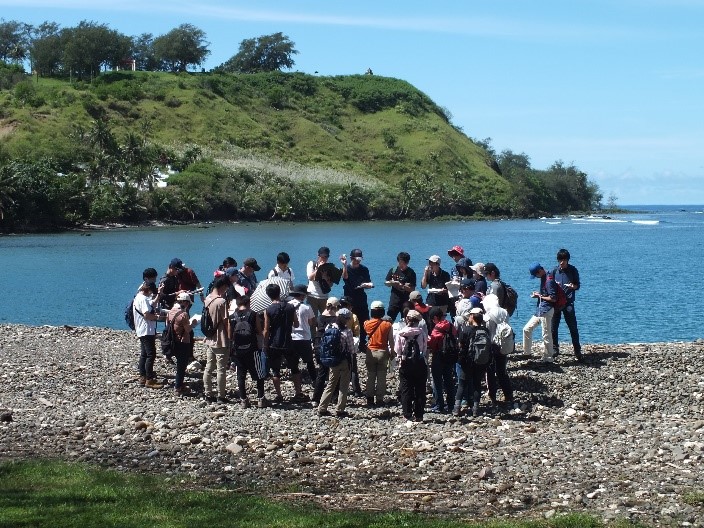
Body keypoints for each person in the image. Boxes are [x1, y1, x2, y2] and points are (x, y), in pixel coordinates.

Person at [263, 282, 299, 404]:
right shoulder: (290, 307)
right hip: (288, 341)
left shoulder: (268, 310)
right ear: (279, 292)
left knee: (276, 370)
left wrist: (265, 344)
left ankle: (279, 395)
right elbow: (297, 324)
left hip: (275, 342)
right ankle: (298, 392)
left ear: (269, 295)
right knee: (294, 368)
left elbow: (266, 329)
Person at [317, 308, 355, 417]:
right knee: (343, 386)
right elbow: (352, 349)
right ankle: (340, 409)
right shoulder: (347, 331)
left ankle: (322, 408)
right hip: (343, 360)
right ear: (346, 319)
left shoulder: (329, 327)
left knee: (330, 384)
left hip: (332, 360)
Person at [230, 295, 266, 408]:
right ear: (248, 303)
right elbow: (259, 331)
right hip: (252, 349)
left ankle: (243, 400)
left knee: (241, 376)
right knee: (259, 374)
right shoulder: (253, 314)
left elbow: (229, 335)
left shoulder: (232, 317)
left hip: (237, 350)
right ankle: (260, 399)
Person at [454, 308, 489, 417]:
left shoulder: (466, 330)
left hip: (467, 361)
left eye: (470, 315)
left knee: (462, 384)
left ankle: (456, 409)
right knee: (477, 384)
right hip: (480, 361)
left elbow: (460, 345)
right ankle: (475, 409)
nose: (468, 317)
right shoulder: (486, 331)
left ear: (473, 317)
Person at [395, 309, 429, 422]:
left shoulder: (401, 333)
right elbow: (424, 348)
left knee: (406, 389)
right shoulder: (421, 333)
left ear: (406, 319)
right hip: (419, 363)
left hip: (405, 363)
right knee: (420, 389)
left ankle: (407, 414)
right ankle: (419, 415)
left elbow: (397, 350)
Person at [482, 294, 514, 406]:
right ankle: (508, 394)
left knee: (490, 372)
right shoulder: (504, 312)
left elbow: (488, 332)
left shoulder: (488, 315)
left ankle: (492, 395)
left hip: (492, 346)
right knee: (502, 371)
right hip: (504, 343)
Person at [202, 276, 231, 403]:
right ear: (223, 286)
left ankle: (208, 393)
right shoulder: (221, 302)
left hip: (210, 338)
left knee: (209, 367)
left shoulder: (207, 299)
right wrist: (231, 337)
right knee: (221, 369)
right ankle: (221, 395)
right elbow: (226, 322)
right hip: (221, 338)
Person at [551, 248, 583, 361]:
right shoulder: (555, 271)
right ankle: (555, 349)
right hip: (556, 304)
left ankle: (577, 350)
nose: (561, 262)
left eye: (563, 260)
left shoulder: (573, 270)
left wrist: (572, 287)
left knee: (573, 327)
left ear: (567, 260)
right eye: (559, 260)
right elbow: (550, 286)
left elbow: (578, 285)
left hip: (569, 303)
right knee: (553, 328)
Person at [523, 262, 557, 363]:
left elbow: (553, 298)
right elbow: (546, 294)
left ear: (540, 271)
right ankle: (527, 353)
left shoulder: (549, 280)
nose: (536, 277)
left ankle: (548, 357)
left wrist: (539, 296)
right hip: (540, 309)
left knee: (546, 334)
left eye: (536, 275)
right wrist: (539, 294)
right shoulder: (543, 278)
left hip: (547, 310)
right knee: (526, 329)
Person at [133, 281, 165, 389]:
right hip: (146, 330)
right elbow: (147, 315)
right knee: (151, 354)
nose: (152, 294)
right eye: (152, 292)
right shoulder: (143, 299)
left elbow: (151, 304)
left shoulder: (139, 297)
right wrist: (157, 317)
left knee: (144, 354)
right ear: (148, 290)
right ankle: (149, 379)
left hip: (141, 329)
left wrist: (159, 294)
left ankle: (143, 376)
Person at [363, 300, 394, 407]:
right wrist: (392, 351)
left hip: (370, 351)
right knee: (381, 377)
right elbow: (391, 340)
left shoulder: (366, 323)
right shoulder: (387, 324)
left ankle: (370, 398)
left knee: (370, 376)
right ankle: (379, 399)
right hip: (382, 352)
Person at [341, 248, 374, 350]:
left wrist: (367, 285)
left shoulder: (364, 269)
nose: (358, 260)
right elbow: (345, 277)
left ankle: (362, 342)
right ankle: (348, 342)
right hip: (349, 299)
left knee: (364, 320)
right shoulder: (347, 268)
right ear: (351, 258)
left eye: (360, 258)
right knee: (348, 321)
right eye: (356, 258)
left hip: (361, 298)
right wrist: (344, 265)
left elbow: (369, 282)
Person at [427, 306, 456, 414]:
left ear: (435, 317)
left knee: (437, 381)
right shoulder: (450, 325)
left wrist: (428, 342)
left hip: (439, 355)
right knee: (449, 379)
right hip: (450, 355)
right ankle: (451, 404)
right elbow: (455, 335)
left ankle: (439, 404)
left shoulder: (437, 329)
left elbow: (432, 343)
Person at [288, 284, 317, 394]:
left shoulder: (287, 306)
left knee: (294, 363)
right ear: (302, 296)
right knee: (309, 361)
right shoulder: (307, 307)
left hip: (292, 337)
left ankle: (297, 386)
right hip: (304, 337)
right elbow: (312, 322)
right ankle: (315, 381)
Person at [312, 297, 340, 404]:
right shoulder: (336, 319)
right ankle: (334, 397)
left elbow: (316, 332)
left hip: (319, 347)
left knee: (321, 373)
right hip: (332, 348)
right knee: (335, 373)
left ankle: (316, 398)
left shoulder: (319, 318)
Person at [168, 292, 194, 396]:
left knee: (180, 363)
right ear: (184, 302)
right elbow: (187, 329)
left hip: (173, 340)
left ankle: (179, 384)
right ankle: (178, 387)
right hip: (183, 341)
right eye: (188, 303)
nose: (188, 305)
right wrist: (194, 323)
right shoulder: (183, 314)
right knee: (181, 365)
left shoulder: (171, 311)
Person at [339, 296, 363, 397]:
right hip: (349, 343)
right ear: (349, 306)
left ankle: (339, 389)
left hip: (338, 344)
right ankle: (356, 390)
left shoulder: (336, 314)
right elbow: (357, 331)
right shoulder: (353, 316)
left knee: (338, 368)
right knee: (353, 368)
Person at [384, 251, 417, 321]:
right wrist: (391, 283)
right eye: (399, 262)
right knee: (388, 321)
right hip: (394, 301)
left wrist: (401, 286)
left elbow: (412, 289)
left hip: (406, 302)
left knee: (406, 321)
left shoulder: (411, 273)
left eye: (403, 263)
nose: (401, 265)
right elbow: (386, 283)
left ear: (407, 262)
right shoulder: (393, 270)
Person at [306, 247, 333, 318]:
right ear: (318, 256)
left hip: (324, 297)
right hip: (312, 296)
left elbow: (331, 285)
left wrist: (325, 278)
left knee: (326, 320)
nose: (324, 259)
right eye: (322, 256)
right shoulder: (312, 264)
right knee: (312, 320)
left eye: (326, 257)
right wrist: (318, 269)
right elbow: (310, 278)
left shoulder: (330, 267)